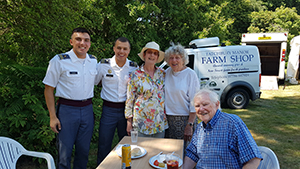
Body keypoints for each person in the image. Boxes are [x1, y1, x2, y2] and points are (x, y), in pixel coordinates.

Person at [43, 27, 97, 169]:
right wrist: (52, 116)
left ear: (90, 44)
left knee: (83, 152)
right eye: (78, 39)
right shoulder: (59, 61)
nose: (82, 43)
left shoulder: (93, 61)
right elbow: (48, 89)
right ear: (71, 42)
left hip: (87, 109)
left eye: (86, 40)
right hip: (67, 110)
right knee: (64, 154)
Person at [183, 89, 262, 169]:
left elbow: (253, 159)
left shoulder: (232, 123)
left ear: (217, 104)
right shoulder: (200, 128)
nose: (201, 109)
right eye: (197, 106)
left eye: (205, 104)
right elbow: (192, 154)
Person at [95, 37, 138, 165]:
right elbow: (96, 82)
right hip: (108, 109)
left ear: (129, 51)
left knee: (127, 143)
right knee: (104, 142)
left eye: (125, 49)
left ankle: (127, 166)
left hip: (126, 111)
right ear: (114, 48)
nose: (121, 51)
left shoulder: (133, 67)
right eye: (119, 48)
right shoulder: (103, 65)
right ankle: (102, 166)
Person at [125, 42, 168, 138]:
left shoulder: (163, 74)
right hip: (141, 123)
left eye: (155, 53)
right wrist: (129, 122)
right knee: (140, 151)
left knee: (158, 151)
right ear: (144, 55)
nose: (152, 55)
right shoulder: (135, 75)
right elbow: (130, 99)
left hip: (159, 123)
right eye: (149, 52)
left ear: (157, 57)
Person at [164, 43, 200, 153]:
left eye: (177, 58)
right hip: (167, 120)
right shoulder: (166, 73)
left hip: (185, 119)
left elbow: (195, 101)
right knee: (169, 151)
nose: (174, 60)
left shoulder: (190, 74)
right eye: (171, 58)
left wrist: (190, 124)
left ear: (183, 59)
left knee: (184, 152)